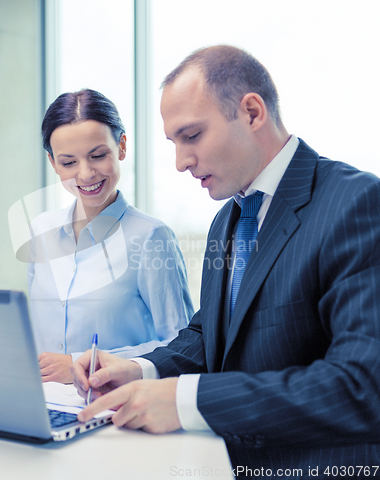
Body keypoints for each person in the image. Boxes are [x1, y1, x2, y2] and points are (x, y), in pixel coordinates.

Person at [72, 46, 380, 477]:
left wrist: (185, 400)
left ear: (252, 112)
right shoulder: (228, 219)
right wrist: (143, 370)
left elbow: (362, 387)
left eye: (192, 136)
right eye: (174, 143)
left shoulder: (355, 203)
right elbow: (214, 332)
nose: (181, 162)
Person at [28, 89, 194, 384]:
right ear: (53, 163)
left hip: (115, 408)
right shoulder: (42, 231)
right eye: (68, 163)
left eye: (98, 155)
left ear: (121, 147)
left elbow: (183, 347)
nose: (86, 174)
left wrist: (82, 365)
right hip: (42, 405)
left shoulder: (151, 237)